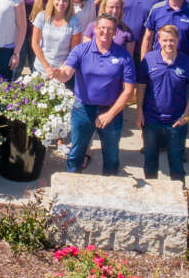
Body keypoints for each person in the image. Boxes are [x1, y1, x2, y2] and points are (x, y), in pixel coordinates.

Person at [52, 15, 136, 177]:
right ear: (95, 29)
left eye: (110, 29)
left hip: (110, 112)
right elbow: (66, 74)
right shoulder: (80, 50)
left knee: (111, 156)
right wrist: (59, 75)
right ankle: (71, 187)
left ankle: (109, 189)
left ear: (115, 32)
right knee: (76, 153)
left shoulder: (123, 56)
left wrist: (110, 114)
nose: (105, 32)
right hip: (83, 110)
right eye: (102, 28)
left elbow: (128, 91)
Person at [139, 24, 189, 180]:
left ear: (178, 40)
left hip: (176, 122)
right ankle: (150, 196)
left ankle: (178, 198)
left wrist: (186, 114)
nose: (168, 44)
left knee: (177, 163)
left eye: (172, 40)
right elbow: (141, 87)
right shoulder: (149, 60)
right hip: (151, 120)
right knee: (150, 161)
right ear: (158, 40)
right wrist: (139, 112)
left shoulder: (187, 62)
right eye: (164, 40)